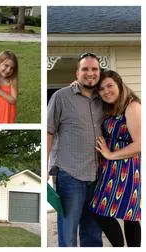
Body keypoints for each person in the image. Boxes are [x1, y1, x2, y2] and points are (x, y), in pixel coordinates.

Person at [47, 52, 104, 247]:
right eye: (85, 69)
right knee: (68, 235)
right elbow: (48, 132)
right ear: (77, 72)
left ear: (99, 72)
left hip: (99, 177)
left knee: (93, 234)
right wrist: (44, 167)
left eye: (94, 69)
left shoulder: (105, 99)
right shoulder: (61, 97)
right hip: (70, 175)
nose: (90, 73)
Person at [89, 70, 141, 247]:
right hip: (109, 168)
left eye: (110, 85)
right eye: (102, 88)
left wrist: (110, 154)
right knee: (100, 210)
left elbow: (140, 144)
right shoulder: (110, 108)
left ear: (120, 85)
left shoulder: (132, 106)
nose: (106, 91)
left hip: (127, 167)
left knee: (129, 215)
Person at [0, 50, 18, 123]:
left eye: (12, 68)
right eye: (6, 65)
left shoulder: (12, 80)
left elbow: (13, 100)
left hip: (7, 113)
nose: (8, 70)